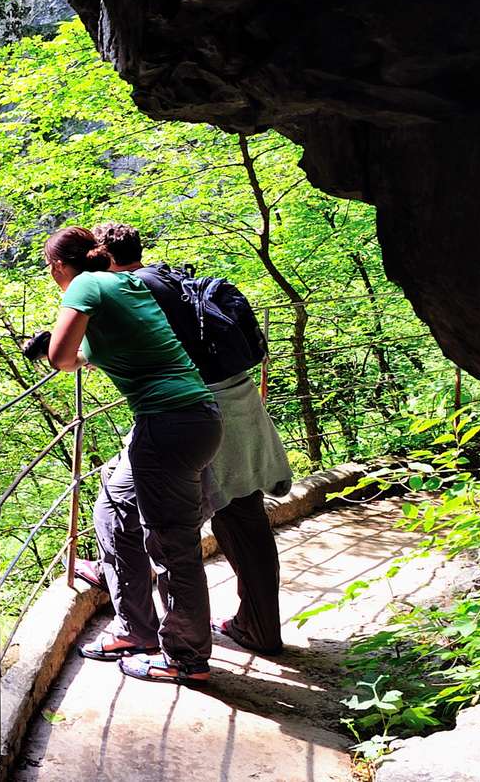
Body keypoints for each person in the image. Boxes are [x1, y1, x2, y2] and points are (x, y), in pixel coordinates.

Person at [33, 226, 224, 687]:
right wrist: (62, 350)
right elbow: (95, 354)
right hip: (186, 417)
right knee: (114, 510)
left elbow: (62, 358)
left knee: (171, 544)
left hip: (168, 422)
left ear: (58, 266)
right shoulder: (126, 283)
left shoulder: (82, 284)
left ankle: (187, 657)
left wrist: (51, 349)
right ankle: (135, 630)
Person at [93, 221, 292, 655]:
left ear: (104, 257)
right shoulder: (169, 277)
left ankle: (138, 624)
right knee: (243, 516)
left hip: (197, 409)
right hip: (237, 399)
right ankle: (260, 628)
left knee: (121, 508)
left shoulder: (129, 291)